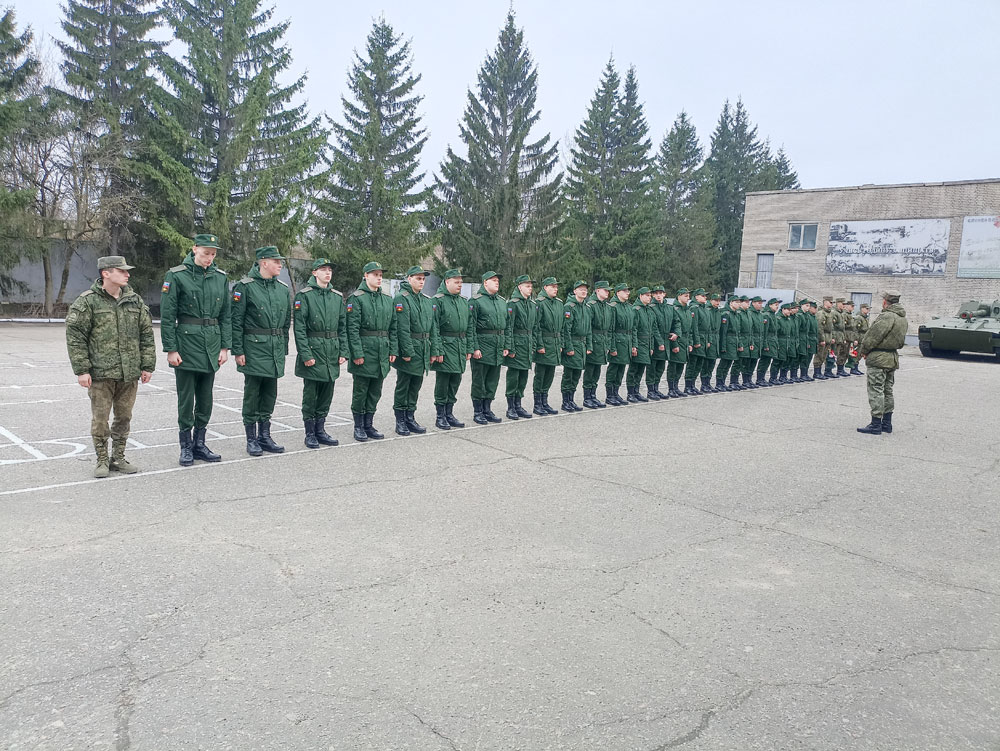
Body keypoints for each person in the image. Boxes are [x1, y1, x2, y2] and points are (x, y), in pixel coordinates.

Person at [66, 255, 155, 477]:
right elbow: (76, 337)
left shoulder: (134, 301)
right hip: (100, 373)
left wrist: (147, 366)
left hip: (128, 372)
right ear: (106, 273)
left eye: (127, 271)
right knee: (100, 420)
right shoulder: (88, 302)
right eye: (121, 271)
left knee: (124, 417)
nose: (127, 274)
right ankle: (102, 460)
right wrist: (82, 370)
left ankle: (118, 457)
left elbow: (146, 334)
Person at [160, 233, 231, 466]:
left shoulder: (220, 278)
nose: (209, 258)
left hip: (211, 344)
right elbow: (168, 316)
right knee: (186, 399)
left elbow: (226, 315)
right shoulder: (177, 275)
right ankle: (186, 447)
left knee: (205, 398)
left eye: (213, 254)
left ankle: (200, 444)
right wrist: (171, 349)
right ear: (194, 249)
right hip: (187, 344)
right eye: (205, 253)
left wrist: (224, 347)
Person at [231, 246, 291, 456]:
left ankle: (265, 436)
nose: (280, 265)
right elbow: (236, 321)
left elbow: (285, 323)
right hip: (254, 348)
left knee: (270, 394)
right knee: (252, 394)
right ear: (263, 262)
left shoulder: (282, 289)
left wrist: (283, 348)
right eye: (276, 261)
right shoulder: (245, 287)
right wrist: (238, 351)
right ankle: (251, 439)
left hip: (274, 349)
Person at [293, 258, 347, 448]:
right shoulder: (305, 296)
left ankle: (320, 430)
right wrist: (306, 355)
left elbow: (343, 327)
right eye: (323, 269)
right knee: (311, 394)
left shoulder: (336, 296)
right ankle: (310, 433)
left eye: (329, 270)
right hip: (314, 350)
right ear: (314, 272)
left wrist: (343, 351)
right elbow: (299, 329)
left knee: (327, 392)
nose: (327, 273)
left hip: (331, 350)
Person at [346, 261, 398, 441]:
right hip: (365, 351)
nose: (379, 278)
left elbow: (393, 327)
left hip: (382, 352)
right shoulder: (357, 298)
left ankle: (368, 424)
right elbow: (352, 329)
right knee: (361, 391)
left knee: (375, 391)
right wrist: (357, 353)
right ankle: (358, 426)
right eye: (375, 275)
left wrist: (393, 349)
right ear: (366, 276)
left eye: (380, 275)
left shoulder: (387, 299)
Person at [391, 266, 439, 436]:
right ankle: (400, 420)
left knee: (415, 386)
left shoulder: (426, 300)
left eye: (423, 279)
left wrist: (434, 350)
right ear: (409, 278)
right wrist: (406, 352)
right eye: (418, 278)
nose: (421, 281)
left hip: (423, 348)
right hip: (410, 349)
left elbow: (433, 328)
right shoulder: (401, 298)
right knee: (403, 386)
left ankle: (410, 417)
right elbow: (402, 329)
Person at [857, 290, 907, 435]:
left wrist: (863, 350)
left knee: (876, 390)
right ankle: (887, 423)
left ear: (885, 302)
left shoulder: (887, 316)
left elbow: (873, 336)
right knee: (887, 390)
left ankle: (875, 424)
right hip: (892, 357)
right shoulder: (902, 318)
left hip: (879, 358)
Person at [431, 269, 473, 430]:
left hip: (460, 345)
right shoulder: (438, 300)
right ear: (447, 282)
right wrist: (437, 350)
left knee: (455, 380)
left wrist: (469, 347)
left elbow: (469, 327)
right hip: (446, 344)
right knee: (443, 382)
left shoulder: (463, 301)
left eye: (461, 282)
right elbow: (434, 327)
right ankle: (440, 415)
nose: (459, 284)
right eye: (456, 282)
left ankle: (449, 413)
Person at [469, 271, 508, 424]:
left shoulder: (501, 302)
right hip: (483, 346)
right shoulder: (476, 301)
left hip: (497, 346)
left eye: (498, 280)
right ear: (485, 282)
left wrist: (505, 345)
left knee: (492, 380)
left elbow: (507, 326)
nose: (497, 282)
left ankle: (487, 409)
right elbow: (471, 327)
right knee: (479, 380)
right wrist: (474, 347)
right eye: (493, 280)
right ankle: (478, 411)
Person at [503, 274, 537, 419]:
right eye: (527, 286)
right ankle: (511, 407)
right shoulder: (513, 304)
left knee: (523, 376)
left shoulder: (532, 304)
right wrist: (510, 347)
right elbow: (509, 327)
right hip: (517, 344)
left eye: (531, 286)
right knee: (513, 377)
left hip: (527, 344)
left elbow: (535, 327)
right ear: (519, 287)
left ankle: (518, 404)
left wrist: (533, 345)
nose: (530, 288)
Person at [560, 280, 593, 411]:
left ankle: (571, 399)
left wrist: (589, 346)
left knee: (577, 374)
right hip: (573, 343)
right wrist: (568, 347)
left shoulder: (587, 307)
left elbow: (588, 329)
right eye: (581, 289)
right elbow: (566, 329)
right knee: (568, 374)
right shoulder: (569, 307)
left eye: (585, 289)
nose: (584, 291)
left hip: (582, 344)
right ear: (575, 291)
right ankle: (565, 401)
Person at [532, 277, 563, 415]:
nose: (555, 289)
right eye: (552, 287)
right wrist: (539, 345)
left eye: (556, 287)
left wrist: (561, 343)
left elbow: (562, 327)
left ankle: (545, 402)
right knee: (540, 375)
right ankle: (537, 404)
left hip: (555, 344)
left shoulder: (559, 303)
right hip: (544, 343)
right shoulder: (539, 303)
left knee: (550, 374)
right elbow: (536, 326)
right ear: (545, 287)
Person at [583, 280, 613, 408]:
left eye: (608, 290)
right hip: (594, 341)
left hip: (602, 341)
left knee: (597, 371)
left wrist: (608, 344)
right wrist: (589, 345)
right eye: (605, 290)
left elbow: (609, 329)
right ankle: (587, 397)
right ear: (598, 290)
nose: (607, 292)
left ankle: (593, 395)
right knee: (590, 370)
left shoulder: (607, 307)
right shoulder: (591, 305)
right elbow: (588, 327)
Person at [605, 283, 636, 406]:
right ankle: (610, 395)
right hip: (617, 341)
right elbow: (611, 329)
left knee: (621, 369)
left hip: (626, 342)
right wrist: (612, 347)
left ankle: (616, 393)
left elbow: (633, 328)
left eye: (628, 291)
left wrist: (633, 345)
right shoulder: (613, 307)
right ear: (618, 292)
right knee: (613, 369)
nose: (628, 293)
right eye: (625, 291)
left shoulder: (629, 307)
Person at [626, 286, 657, 402]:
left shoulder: (649, 310)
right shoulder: (636, 310)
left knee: (640, 370)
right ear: (640, 296)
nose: (649, 298)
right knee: (633, 369)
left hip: (646, 344)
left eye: (650, 296)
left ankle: (636, 391)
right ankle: (630, 393)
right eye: (647, 295)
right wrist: (634, 345)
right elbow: (633, 329)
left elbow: (652, 331)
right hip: (638, 342)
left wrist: (651, 346)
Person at [646, 285, 671, 399]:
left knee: (661, 367)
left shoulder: (669, 308)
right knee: (652, 367)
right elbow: (654, 327)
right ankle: (651, 390)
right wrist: (660, 342)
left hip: (666, 341)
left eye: (660, 293)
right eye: (656, 293)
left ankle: (656, 388)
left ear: (664, 294)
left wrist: (676, 333)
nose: (658, 295)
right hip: (655, 341)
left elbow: (676, 322)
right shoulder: (651, 308)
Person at [667, 288, 692, 397]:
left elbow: (690, 329)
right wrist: (674, 344)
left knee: (681, 365)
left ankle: (676, 387)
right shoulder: (674, 309)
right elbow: (672, 329)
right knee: (673, 366)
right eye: (685, 296)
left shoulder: (687, 310)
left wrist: (690, 343)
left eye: (688, 296)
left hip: (685, 341)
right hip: (677, 341)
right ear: (679, 296)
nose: (688, 298)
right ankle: (671, 388)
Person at [686, 288, 711, 394]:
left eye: (705, 296)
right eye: (703, 296)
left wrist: (708, 340)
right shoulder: (694, 308)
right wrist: (696, 341)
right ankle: (688, 386)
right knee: (693, 363)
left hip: (704, 339)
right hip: (698, 339)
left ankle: (693, 384)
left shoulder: (705, 308)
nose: (705, 297)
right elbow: (694, 326)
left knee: (699, 364)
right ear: (696, 297)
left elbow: (708, 327)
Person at [715, 296, 741, 391]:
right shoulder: (726, 314)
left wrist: (739, 344)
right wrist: (723, 346)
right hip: (727, 342)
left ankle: (723, 382)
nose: (738, 304)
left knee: (728, 364)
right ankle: (719, 383)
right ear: (731, 303)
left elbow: (738, 332)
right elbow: (723, 332)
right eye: (736, 302)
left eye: (739, 302)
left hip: (733, 342)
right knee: (724, 363)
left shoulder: (735, 314)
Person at [701, 293, 723, 393]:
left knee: (712, 362)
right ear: (711, 301)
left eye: (719, 300)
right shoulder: (708, 310)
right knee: (706, 363)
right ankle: (704, 384)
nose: (718, 302)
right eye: (715, 300)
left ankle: (708, 383)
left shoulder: (719, 312)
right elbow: (708, 327)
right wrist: (709, 340)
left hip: (716, 339)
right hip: (709, 338)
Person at [814, 295, 835, 380]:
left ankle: (821, 372)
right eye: (830, 302)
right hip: (823, 337)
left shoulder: (830, 313)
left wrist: (832, 337)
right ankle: (816, 372)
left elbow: (831, 327)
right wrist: (821, 339)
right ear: (825, 302)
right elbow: (820, 328)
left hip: (828, 336)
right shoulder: (821, 313)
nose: (832, 304)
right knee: (819, 355)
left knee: (824, 355)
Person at [851, 303, 871, 375]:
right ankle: (853, 368)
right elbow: (855, 329)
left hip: (863, 338)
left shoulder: (865, 318)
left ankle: (856, 368)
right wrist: (855, 339)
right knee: (856, 353)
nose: (868, 310)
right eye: (867, 309)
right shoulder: (858, 317)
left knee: (860, 354)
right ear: (862, 309)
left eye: (868, 309)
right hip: (859, 338)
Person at [832, 297, 848, 377]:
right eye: (842, 304)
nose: (844, 305)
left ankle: (840, 370)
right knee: (832, 354)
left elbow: (843, 328)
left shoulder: (841, 313)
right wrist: (833, 337)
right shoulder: (834, 313)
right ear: (838, 303)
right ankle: (828, 370)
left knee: (840, 353)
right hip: (836, 336)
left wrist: (844, 338)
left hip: (840, 336)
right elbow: (832, 326)